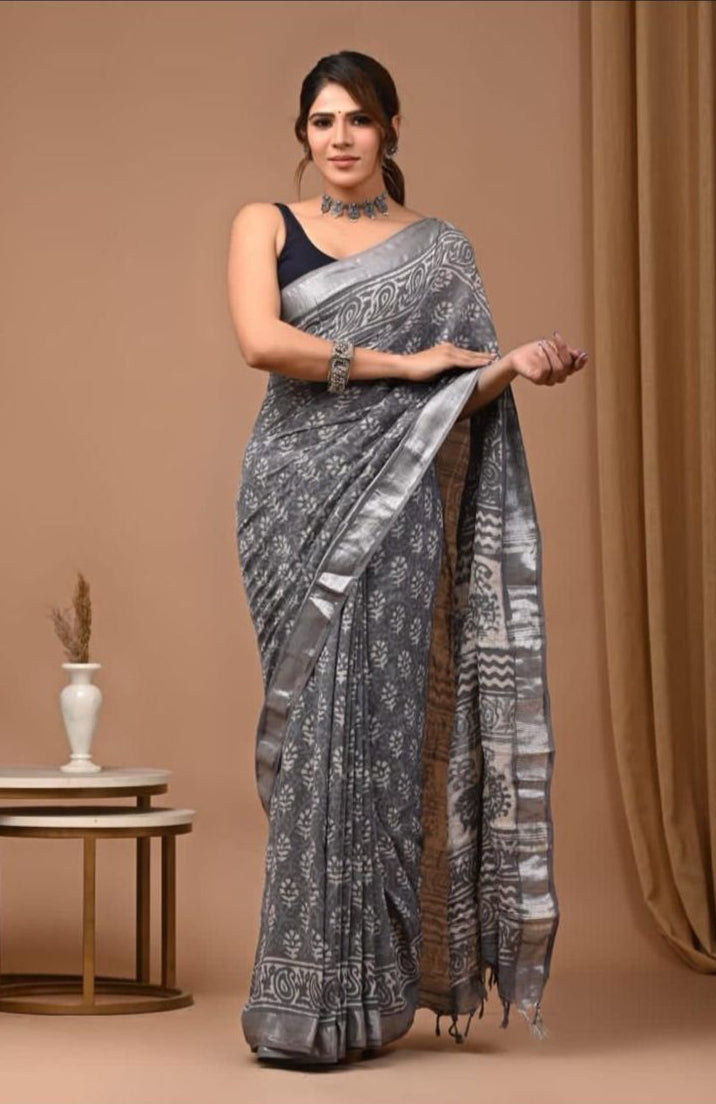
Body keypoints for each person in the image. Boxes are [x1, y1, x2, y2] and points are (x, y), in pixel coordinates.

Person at [227, 49, 588, 1068]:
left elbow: (455, 393)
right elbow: (262, 342)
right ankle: (297, 1005)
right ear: (302, 136)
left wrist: (506, 365)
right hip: (290, 498)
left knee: (381, 735)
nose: (339, 138)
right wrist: (402, 362)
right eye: (322, 121)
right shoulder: (265, 223)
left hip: (398, 511)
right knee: (314, 741)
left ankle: (366, 1000)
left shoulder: (440, 250)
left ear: (391, 129)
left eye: (359, 119)